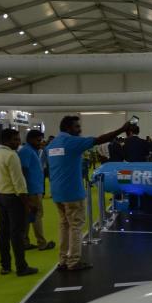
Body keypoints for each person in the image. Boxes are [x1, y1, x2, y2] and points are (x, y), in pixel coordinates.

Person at [48, 115, 130, 271]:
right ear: (68, 128)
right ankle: (74, 261)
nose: (80, 130)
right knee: (75, 226)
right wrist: (122, 129)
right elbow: (99, 140)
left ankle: (63, 260)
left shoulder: (52, 145)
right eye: (77, 127)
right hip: (72, 193)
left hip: (57, 193)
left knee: (64, 226)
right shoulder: (73, 142)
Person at [0, 129, 38, 276]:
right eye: (15, 140)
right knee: (17, 233)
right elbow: (18, 182)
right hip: (14, 198)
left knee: (3, 232)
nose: (18, 143)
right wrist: (27, 203)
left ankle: (5, 266)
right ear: (6, 140)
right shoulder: (12, 155)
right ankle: (21, 267)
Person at [18, 130, 54, 252]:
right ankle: (42, 243)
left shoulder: (31, 151)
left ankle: (24, 242)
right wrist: (25, 191)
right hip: (31, 190)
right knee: (36, 215)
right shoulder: (26, 151)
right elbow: (22, 171)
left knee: (29, 216)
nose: (41, 143)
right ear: (31, 139)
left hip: (34, 188)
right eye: (38, 140)